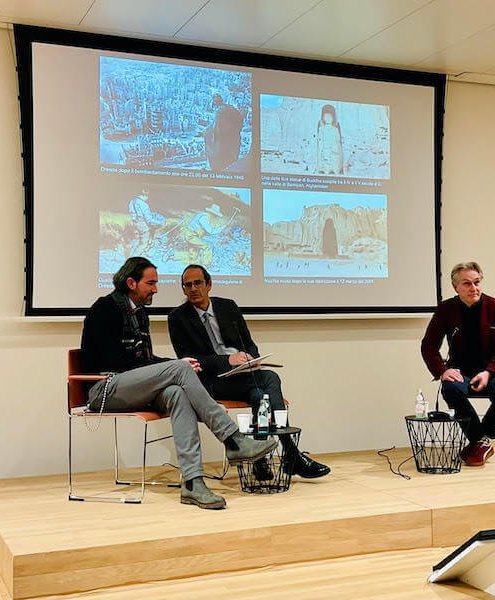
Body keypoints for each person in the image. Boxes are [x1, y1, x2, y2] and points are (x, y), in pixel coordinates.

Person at [80, 257, 276, 510]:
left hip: (132, 386)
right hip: (104, 388)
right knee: (179, 370)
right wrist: (172, 367)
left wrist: (178, 363)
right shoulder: (104, 309)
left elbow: (145, 360)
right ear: (131, 283)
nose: (156, 289)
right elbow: (115, 361)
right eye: (150, 283)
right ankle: (233, 440)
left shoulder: (139, 314)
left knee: (176, 393)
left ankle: (193, 483)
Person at [167, 264, 330, 479]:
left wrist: (251, 358)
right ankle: (290, 454)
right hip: (212, 381)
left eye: (198, 283)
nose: (193, 289)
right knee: (271, 378)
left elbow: (248, 343)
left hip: (244, 375)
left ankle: (260, 460)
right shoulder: (177, 317)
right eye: (187, 285)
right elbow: (189, 361)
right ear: (184, 290)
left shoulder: (228, 307)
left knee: (259, 396)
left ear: (209, 285)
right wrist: (228, 360)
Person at [420, 261, 495, 467]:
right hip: (463, 370)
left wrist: (489, 372)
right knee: (450, 389)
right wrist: (442, 370)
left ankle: (481, 439)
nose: (473, 288)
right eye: (466, 283)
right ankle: (481, 441)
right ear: (455, 287)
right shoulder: (445, 310)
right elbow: (428, 346)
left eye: (477, 282)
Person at [204, 94, 243, 172]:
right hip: (233, 140)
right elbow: (240, 121)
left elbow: (216, 132)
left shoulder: (219, 113)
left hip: (223, 147)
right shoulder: (231, 108)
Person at [128, 190, 165, 255]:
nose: (147, 199)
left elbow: (132, 213)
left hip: (135, 223)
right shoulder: (144, 205)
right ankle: (134, 259)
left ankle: (148, 245)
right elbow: (149, 220)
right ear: (145, 195)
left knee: (140, 241)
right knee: (143, 244)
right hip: (143, 224)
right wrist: (161, 223)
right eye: (148, 196)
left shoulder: (132, 201)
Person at [314, 104, 343, 175]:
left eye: (330, 117)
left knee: (334, 165)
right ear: (323, 118)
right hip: (325, 151)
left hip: (334, 151)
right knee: (325, 165)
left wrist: (335, 148)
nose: (328, 118)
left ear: (333, 118)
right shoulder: (321, 129)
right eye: (326, 117)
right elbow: (319, 141)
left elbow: (338, 141)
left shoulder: (335, 129)